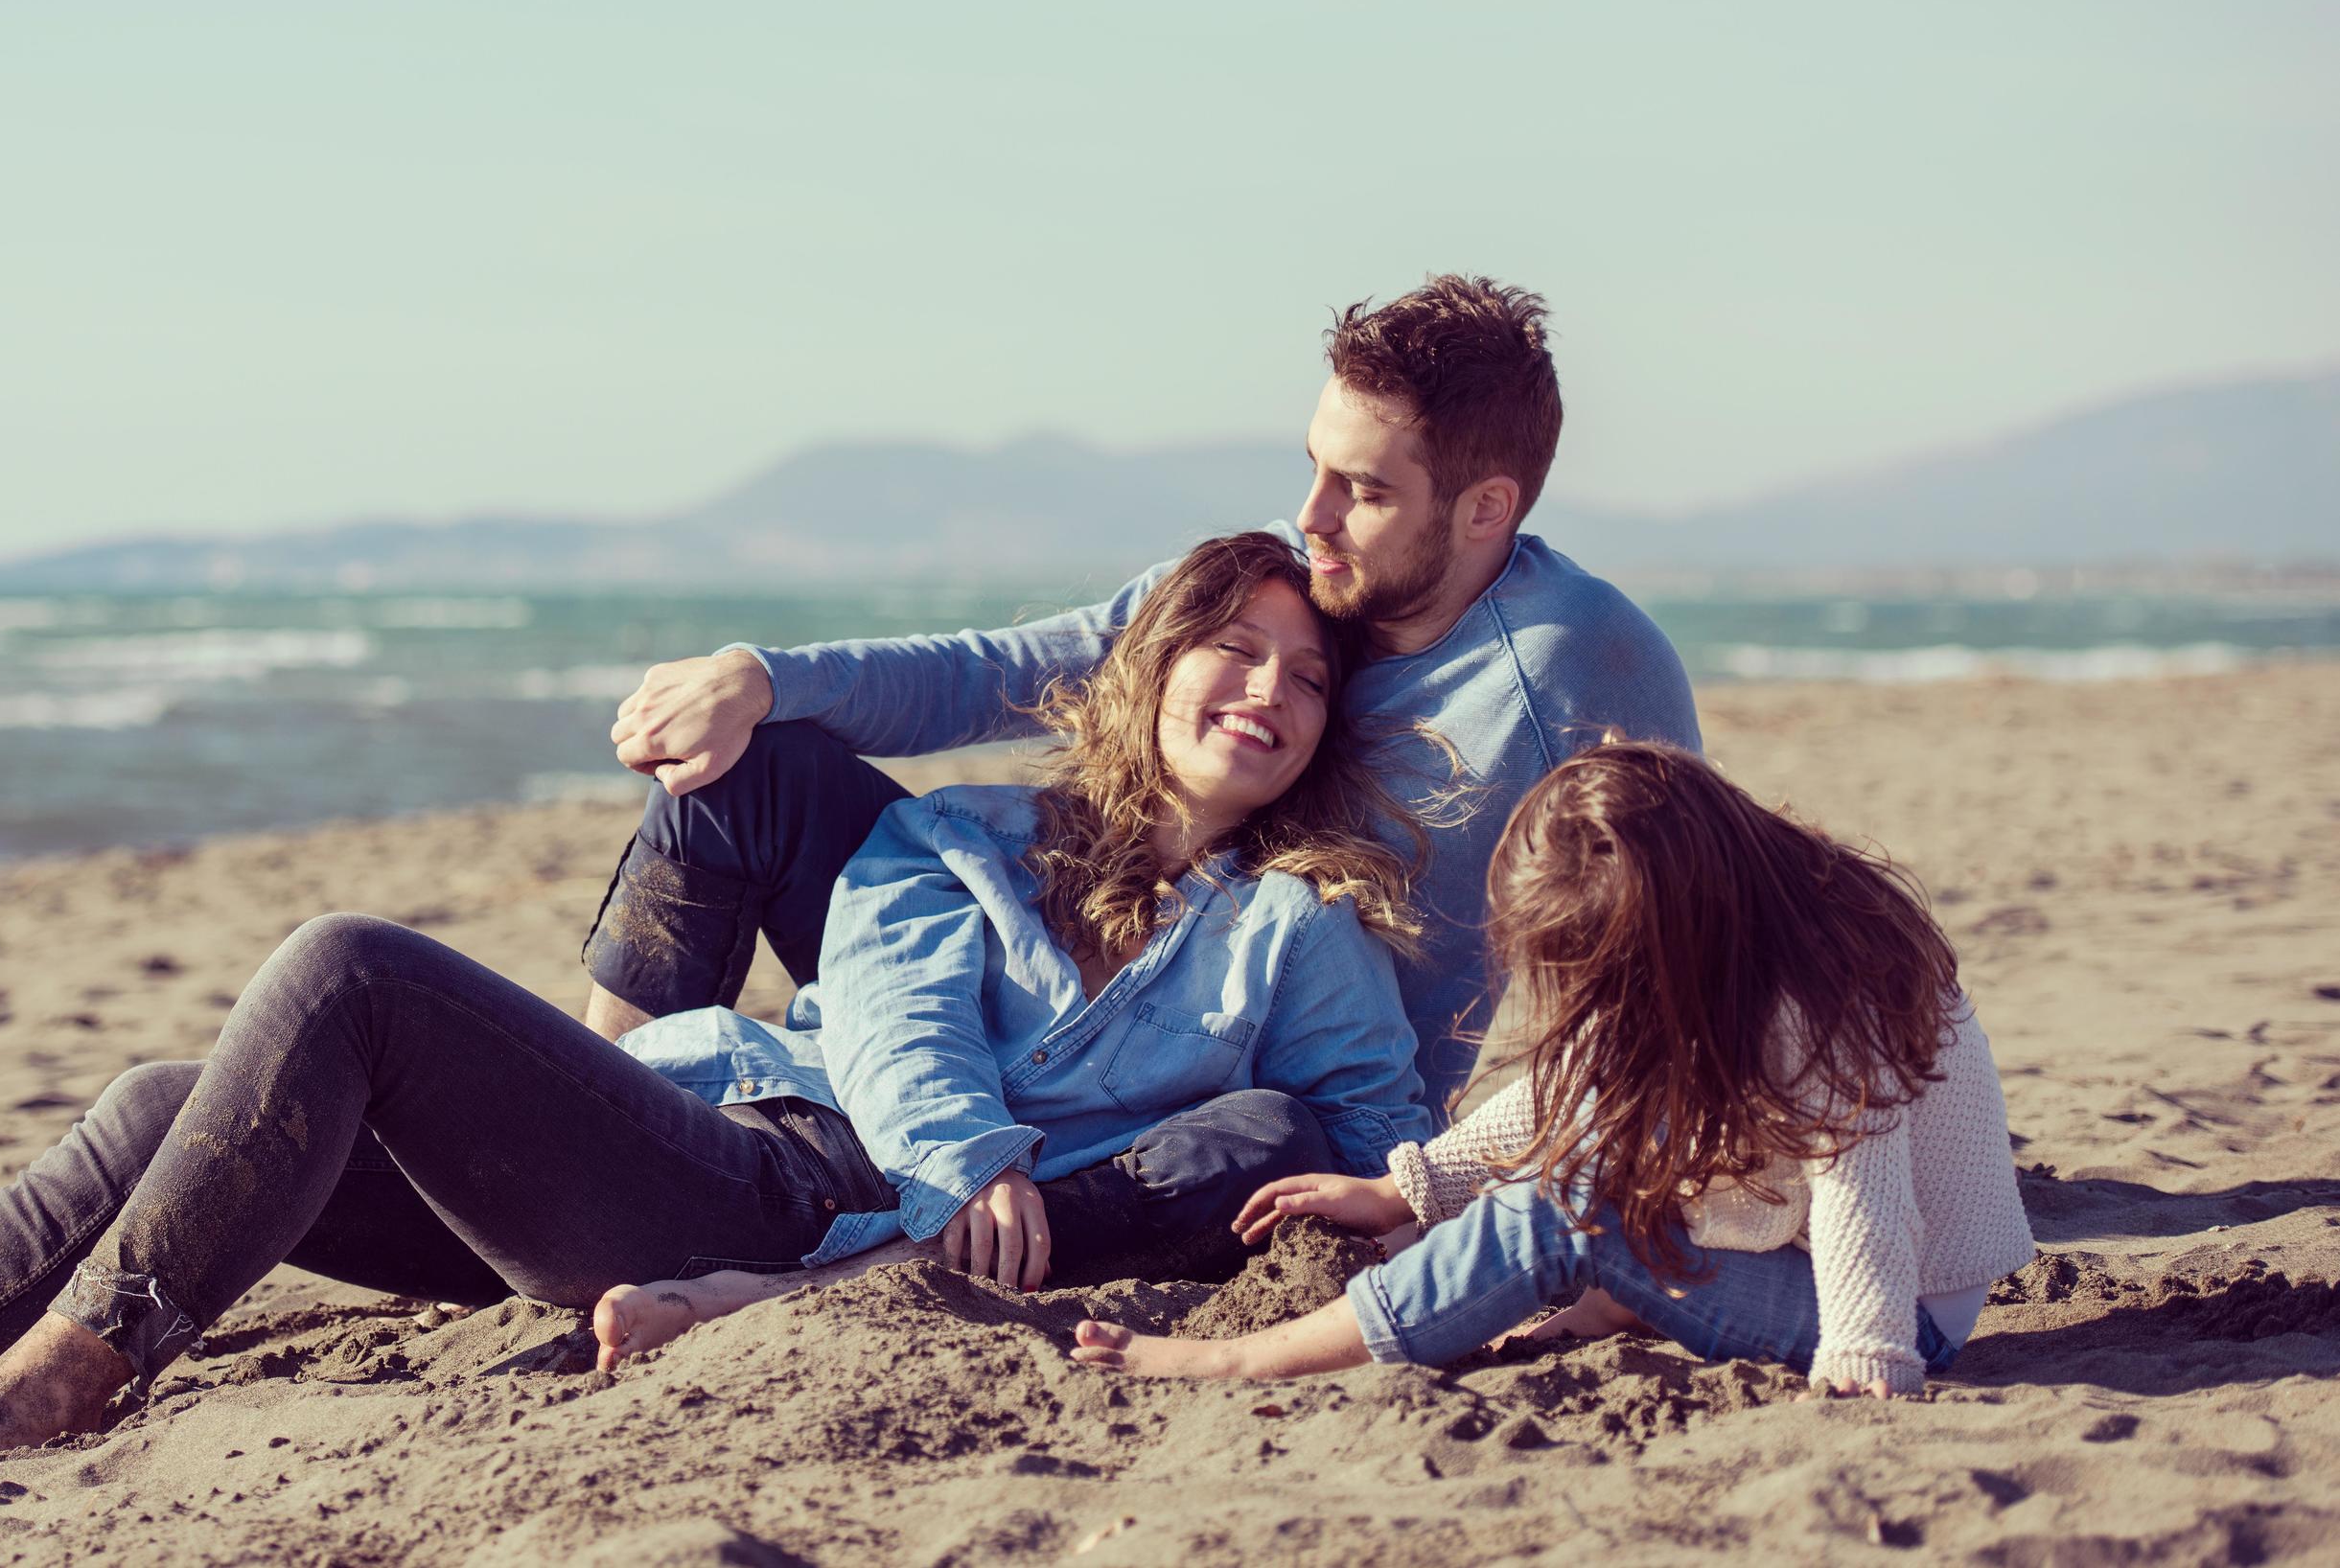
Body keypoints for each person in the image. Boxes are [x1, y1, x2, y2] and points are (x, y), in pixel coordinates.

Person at [0, 533, 1429, 1479]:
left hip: (794, 1207)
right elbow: (885, 1012)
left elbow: (1355, 1134)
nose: (1261, 690)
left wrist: (1375, 1187)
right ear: (1149, 665)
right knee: (164, 1101)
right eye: (1228, 648)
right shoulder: (959, 835)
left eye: (1298, 675)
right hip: (727, 1144)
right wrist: (963, 1159)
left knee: (347, 969)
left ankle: (94, 1353)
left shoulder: (1296, 935)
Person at [593, 275, 1701, 1137]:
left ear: (1485, 509)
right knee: (750, 769)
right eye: (1314, 465)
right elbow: (1002, 671)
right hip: (1063, 970)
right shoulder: (1287, 580)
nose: (1311, 515)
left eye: (1364, 492)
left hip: (1227, 1083)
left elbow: (1680, 952)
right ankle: (596, 1112)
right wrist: (764, 675)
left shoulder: (1576, 665)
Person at [1066, 743, 2038, 1400]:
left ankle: (1239, 1360)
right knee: (1577, 1159)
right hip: (1789, 1240)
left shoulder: (1822, 993)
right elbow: (1576, 1084)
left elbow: (1859, 1192)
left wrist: (1868, 1354)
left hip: (1891, 1302)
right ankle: (1617, 1294)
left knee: (1559, 1214)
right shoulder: (1748, 919)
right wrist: (1406, 1186)